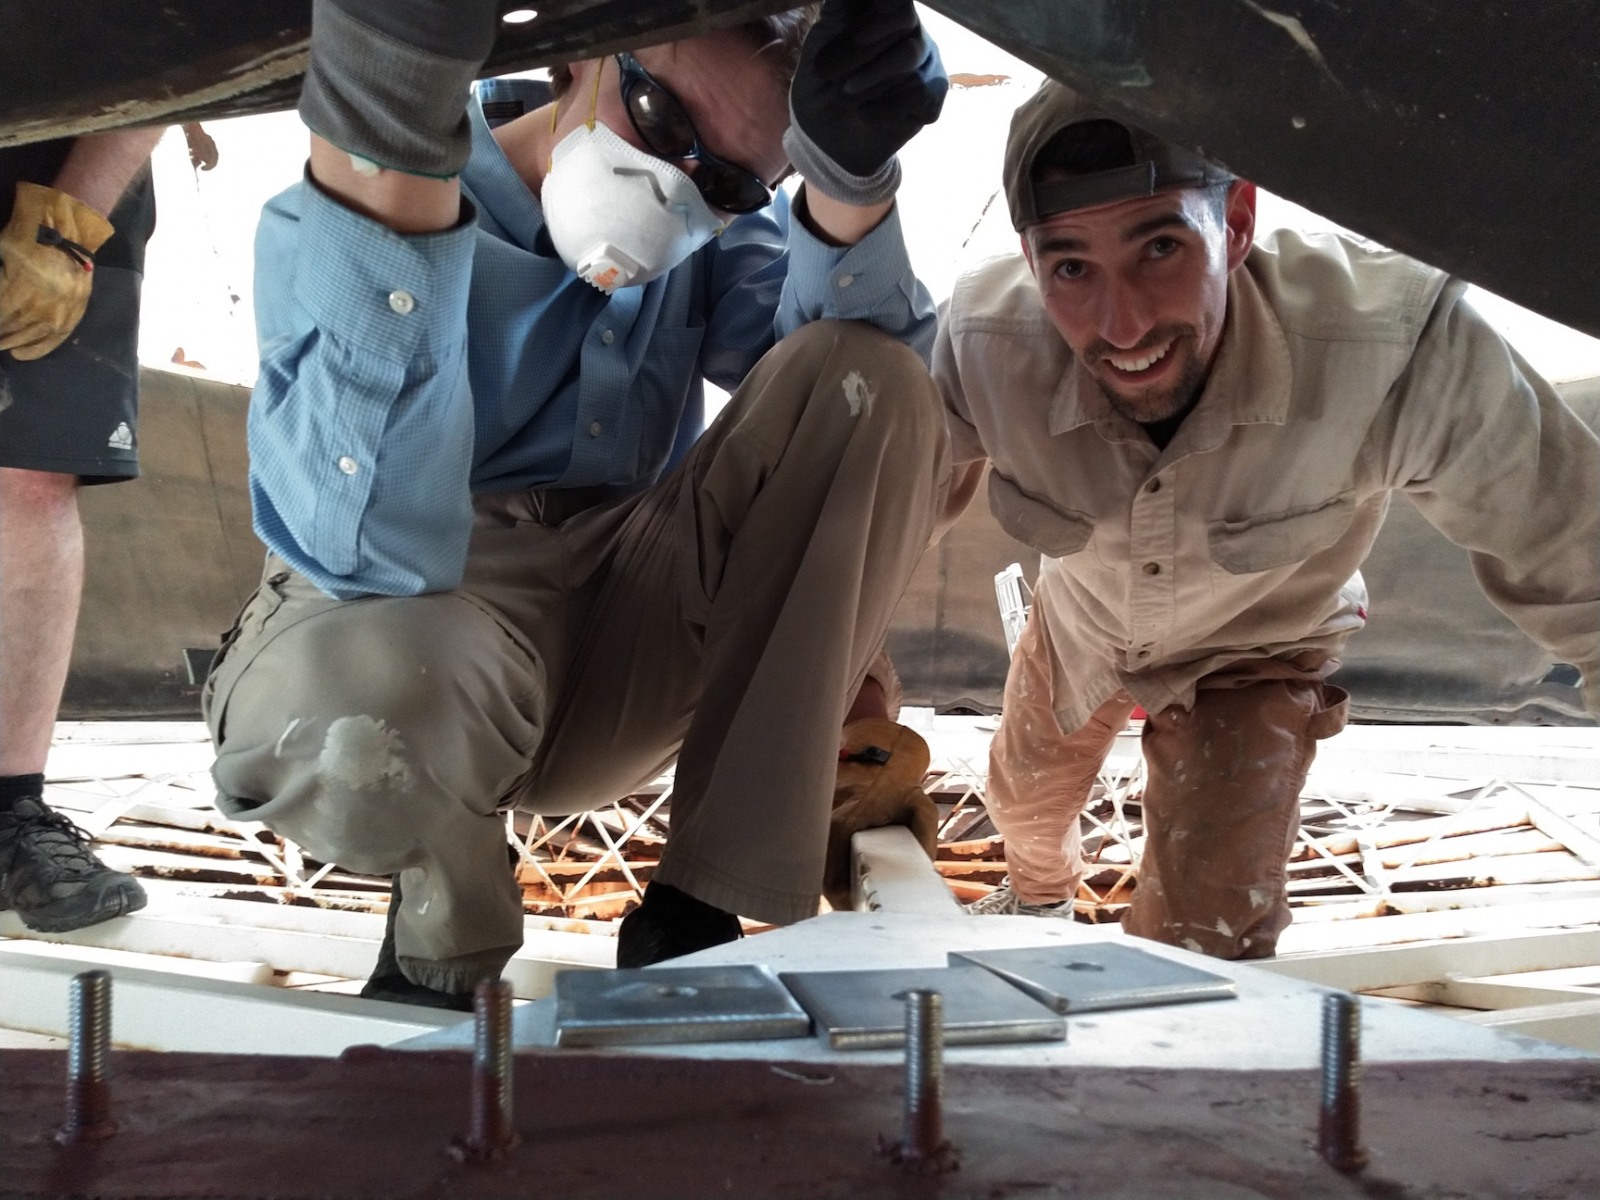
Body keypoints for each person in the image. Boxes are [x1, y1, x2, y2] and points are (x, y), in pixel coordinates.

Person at [203, 0, 951, 1008]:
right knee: (368, 696)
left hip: (618, 632)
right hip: (404, 627)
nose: (674, 185)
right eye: (662, 121)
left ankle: (700, 909)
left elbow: (860, 414)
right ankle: (437, 950)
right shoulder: (344, 217)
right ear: (588, 51)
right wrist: (396, 156)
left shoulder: (717, 242)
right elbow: (363, 548)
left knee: (874, 379)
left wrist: (848, 187)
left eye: (729, 181)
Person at [939, 80, 1600, 958]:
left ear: (1237, 223)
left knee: (1206, 941)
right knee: (1023, 804)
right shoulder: (982, 343)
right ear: (1030, 261)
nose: (1122, 324)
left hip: (1255, 648)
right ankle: (1036, 901)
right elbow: (878, 525)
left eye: (1161, 247)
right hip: (1083, 624)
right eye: (1071, 268)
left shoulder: (1392, 348)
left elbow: (1581, 562)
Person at [0, 126, 163, 931]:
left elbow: (167, 64)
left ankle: (8, 814)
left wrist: (69, 221)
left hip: (52, 175)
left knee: (28, 472)